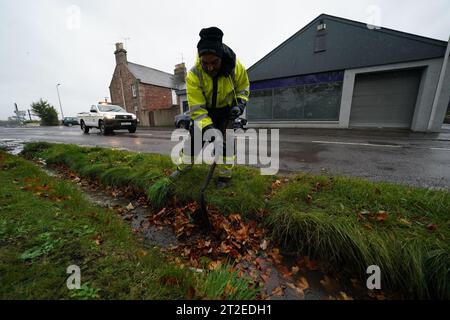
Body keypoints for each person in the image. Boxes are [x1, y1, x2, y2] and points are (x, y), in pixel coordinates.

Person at [179, 26, 250, 187]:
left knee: (227, 145)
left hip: (227, 112)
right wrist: (211, 132)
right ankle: (183, 169)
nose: (210, 67)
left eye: (214, 62)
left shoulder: (235, 67)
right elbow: (197, 110)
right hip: (205, 112)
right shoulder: (194, 75)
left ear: (221, 57)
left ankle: (224, 176)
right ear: (199, 58)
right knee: (193, 143)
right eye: (205, 63)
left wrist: (240, 104)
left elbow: (244, 87)